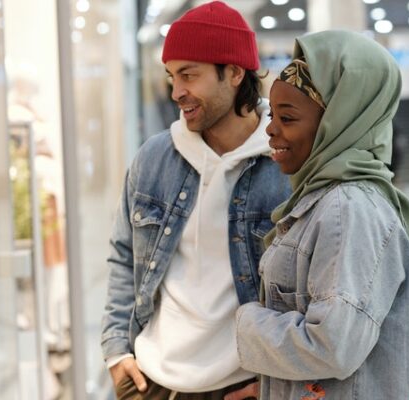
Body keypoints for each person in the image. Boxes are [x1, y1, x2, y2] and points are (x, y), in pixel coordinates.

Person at [233, 30, 409, 399]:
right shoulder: (324, 199)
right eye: (272, 113)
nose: (270, 129)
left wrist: (246, 324)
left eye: (288, 117)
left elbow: (333, 345)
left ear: (338, 122)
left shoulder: (349, 210)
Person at [100, 2, 291, 399]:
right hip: (152, 383)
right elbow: (123, 254)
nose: (176, 92)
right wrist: (117, 350)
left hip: (243, 385)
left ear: (235, 72)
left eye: (189, 75)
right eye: (171, 76)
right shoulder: (154, 159)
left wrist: (278, 382)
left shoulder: (286, 163)